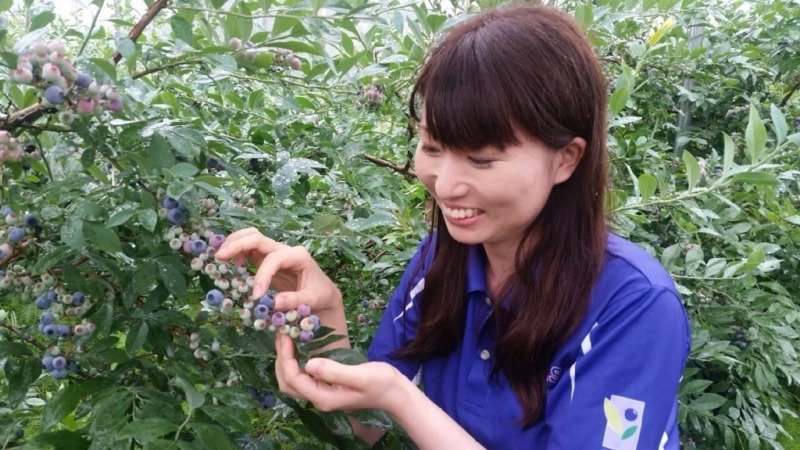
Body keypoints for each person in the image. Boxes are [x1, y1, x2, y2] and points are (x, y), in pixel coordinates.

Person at [215, 4, 691, 449]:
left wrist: (401, 396)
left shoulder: (633, 307)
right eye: (432, 147)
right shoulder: (444, 259)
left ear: (565, 159)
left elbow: (395, 402)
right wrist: (326, 320)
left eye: (481, 160)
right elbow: (366, 427)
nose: (445, 185)